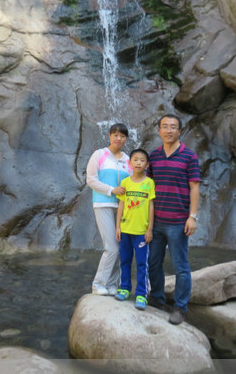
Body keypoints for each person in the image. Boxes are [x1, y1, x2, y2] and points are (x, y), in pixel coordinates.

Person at [147, 114, 201, 325]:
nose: (169, 130)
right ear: (159, 130)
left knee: (181, 266)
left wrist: (192, 217)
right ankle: (157, 299)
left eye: (173, 127)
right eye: (165, 126)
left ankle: (180, 307)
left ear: (180, 131)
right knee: (153, 263)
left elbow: (195, 187)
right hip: (156, 220)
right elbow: (147, 186)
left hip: (179, 221)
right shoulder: (153, 156)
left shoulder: (189, 156)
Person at [86, 123, 131, 296]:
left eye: (122, 136)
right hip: (103, 203)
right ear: (110, 136)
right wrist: (111, 190)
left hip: (122, 207)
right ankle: (98, 283)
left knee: (120, 247)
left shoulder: (128, 159)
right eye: (116, 135)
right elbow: (91, 180)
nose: (119, 139)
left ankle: (112, 284)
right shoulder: (99, 154)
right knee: (111, 247)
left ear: (126, 139)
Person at [114, 148, 156, 311]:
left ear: (147, 164)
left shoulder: (149, 183)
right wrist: (117, 227)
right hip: (125, 230)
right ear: (129, 162)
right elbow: (121, 205)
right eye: (135, 159)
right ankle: (124, 288)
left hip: (141, 232)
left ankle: (141, 294)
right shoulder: (125, 182)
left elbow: (151, 206)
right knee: (124, 260)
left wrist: (149, 229)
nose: (138, 162)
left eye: (142, 160)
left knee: (141, 264)